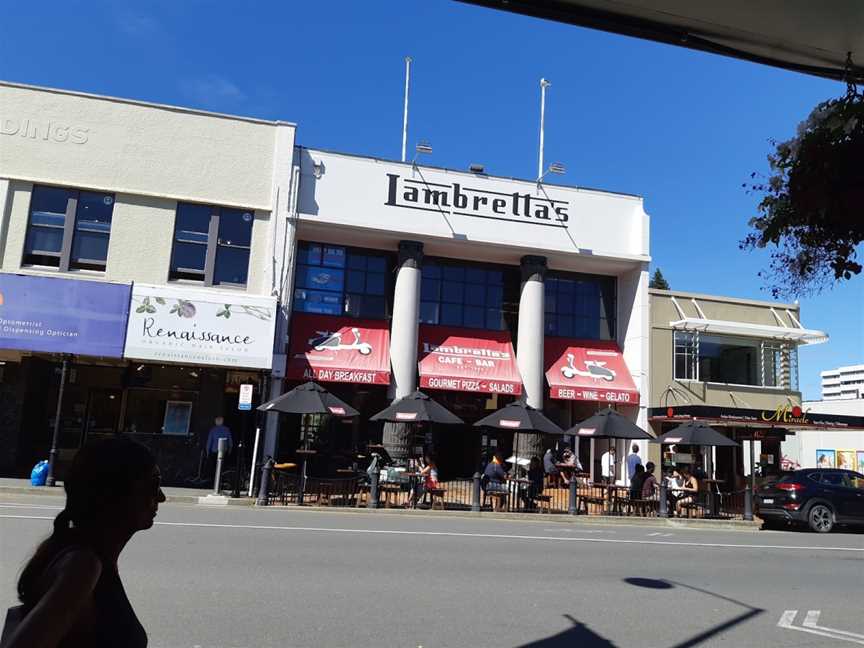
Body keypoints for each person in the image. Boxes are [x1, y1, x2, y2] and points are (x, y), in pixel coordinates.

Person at [5, 437, 164, 648]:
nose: (161, 497)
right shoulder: (83, 566)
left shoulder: (94, 557)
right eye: (153, 484)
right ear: (116, 492)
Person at [205, 416, 233, 481]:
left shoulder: (213, 430)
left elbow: (209, 442)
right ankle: (221, 480)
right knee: (222, 466)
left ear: (216, 422)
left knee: (214, 467)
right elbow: (230, 441)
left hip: (214, 451)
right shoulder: (227, 429)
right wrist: (230, 450)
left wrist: (207, 452)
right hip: (224, 451)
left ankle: (213, 480)